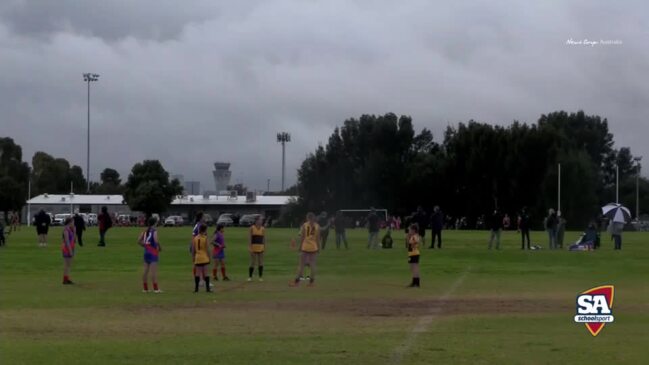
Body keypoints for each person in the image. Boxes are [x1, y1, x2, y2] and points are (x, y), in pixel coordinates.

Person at [290, 212, 320, 287]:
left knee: (301, 265)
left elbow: (302, 237)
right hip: (313, 247)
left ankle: (297, 282)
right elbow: (318, 239)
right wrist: (318, 248)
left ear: (308, 218)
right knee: (313, 265)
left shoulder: (305, 225)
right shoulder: (317, 226)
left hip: (305, 246)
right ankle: (311, 282)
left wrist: (300, 247)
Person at [138, 217, 162, 293]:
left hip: (146, 252)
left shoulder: (145, 231)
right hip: (153, 252)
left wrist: (145, 246)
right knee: (153, 272)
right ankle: (156, 289)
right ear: (154, 223)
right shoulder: (154, 231)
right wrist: (159, 247)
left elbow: (138, 241)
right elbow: (155, 240)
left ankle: (145, 288)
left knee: (145, 271)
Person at [191, 224, 211, 292]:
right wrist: (209, 257)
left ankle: (196, 289)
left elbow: (193, 249)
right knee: (206, 273)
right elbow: (208, 249)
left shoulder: (195, 238)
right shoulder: (205, 238)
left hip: (198, 257)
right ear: (204, 230)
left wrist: (193, 257)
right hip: (204, 257)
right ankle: (207, 289)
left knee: (197, 273)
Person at [248, 216, 266, 281]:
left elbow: (264, 238)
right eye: (260, 220)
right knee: (252, 262)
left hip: (260, 247)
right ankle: (250, 277)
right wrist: (249, 247)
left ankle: (260, 277)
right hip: (253, 247)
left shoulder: (263, 228)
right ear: (256, 221)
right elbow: (250, 238)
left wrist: (264, 247)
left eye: (261, 220)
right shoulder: (252, 228)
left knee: (260, 262)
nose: (261, 221)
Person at [61, 217, 76, 284]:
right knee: (67, 264)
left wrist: (74, 231)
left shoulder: (70, 229)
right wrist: (70, 250)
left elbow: (74, 239)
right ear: (70, 222)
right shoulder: (66, 230)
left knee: (69, 265)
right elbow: (67, 241)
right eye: (73, 222)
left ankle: (67, 278)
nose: (73, 224)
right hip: (67, 248)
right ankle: (65, 280)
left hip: (71, 247)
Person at [406, 223, 421, 288]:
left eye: (410, 230)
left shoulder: (414, 236)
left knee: (414, 268)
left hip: (414, 254)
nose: (409, 231)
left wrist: (409, 238)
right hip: (413, 253)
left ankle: (416, 283)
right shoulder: (415, 236)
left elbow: (412, 245)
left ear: (413, 230)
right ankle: (415, 282)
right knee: (413, 268)